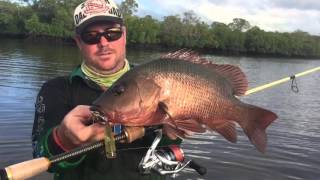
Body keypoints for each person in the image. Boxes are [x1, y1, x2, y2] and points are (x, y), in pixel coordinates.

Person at [31, 0, 179, 179]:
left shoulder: (160, 82)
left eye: (112, 33)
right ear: (79, 42)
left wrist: (175, 128)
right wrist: (64, 139)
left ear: (124, 35)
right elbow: (40, 156)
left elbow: (172, 144)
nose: (103, 42)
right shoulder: (55, 90)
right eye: (91, 36)